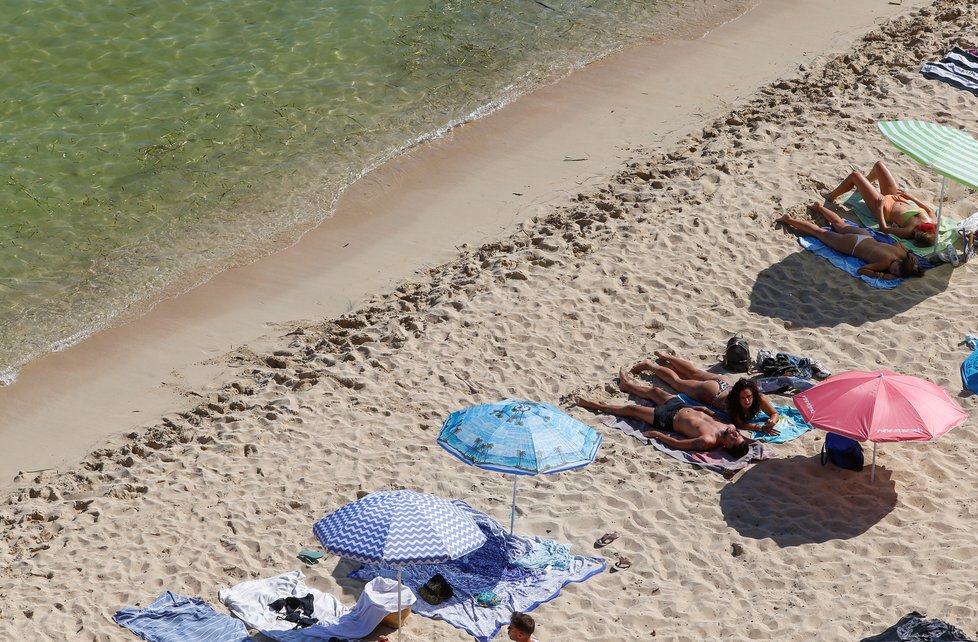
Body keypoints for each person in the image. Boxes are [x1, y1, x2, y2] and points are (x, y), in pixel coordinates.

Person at [576, 368, 752, 458]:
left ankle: (593, 404)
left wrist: (658, 434)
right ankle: (627, 386)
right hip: (681, 406)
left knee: (632, 410)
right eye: (739, 435)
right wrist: (703, 409)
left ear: (727, 446)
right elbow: (713, 416)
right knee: (654, 391)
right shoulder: (730, 426)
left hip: (667, 418)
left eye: (735, 438)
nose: (736, 433)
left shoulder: (707, 441)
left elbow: (678, 444)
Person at [630, 352, 781, 435]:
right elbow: (741, 423)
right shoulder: (735, 404)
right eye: (743, 398)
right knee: (677, 382)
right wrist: (760, 428)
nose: (747, 400)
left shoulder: (758, 398)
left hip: (725, 383)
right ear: (737, 397)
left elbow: (773, 412)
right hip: (712, 392)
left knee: (695, 372)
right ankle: (650, 365)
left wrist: (772, 420)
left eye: (749, 397)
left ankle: (668, 357)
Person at [778, 203, 925, 280]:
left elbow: (899, 244)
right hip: (852, 246)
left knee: (839, 224)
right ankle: (788, 220)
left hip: (865, 235)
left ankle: (819, 207)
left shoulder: (900, 253)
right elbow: (862, 270)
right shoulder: (884, 264)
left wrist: (909, 253)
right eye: (895, 270)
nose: (892, 270)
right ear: (899, 264)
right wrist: (882, 276)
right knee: (819, 233)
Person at [825, 160, 937, 247]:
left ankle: (831, 196)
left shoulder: (908, 232)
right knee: (879, 165)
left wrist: (879, 210)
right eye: (917, 231)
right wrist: (911, 198)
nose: (914, 231)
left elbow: (884, 229)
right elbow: (929, 211)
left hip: (884, 207)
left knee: (856, 175)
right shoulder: (933, 222)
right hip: (897, 197)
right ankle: (865, 184)